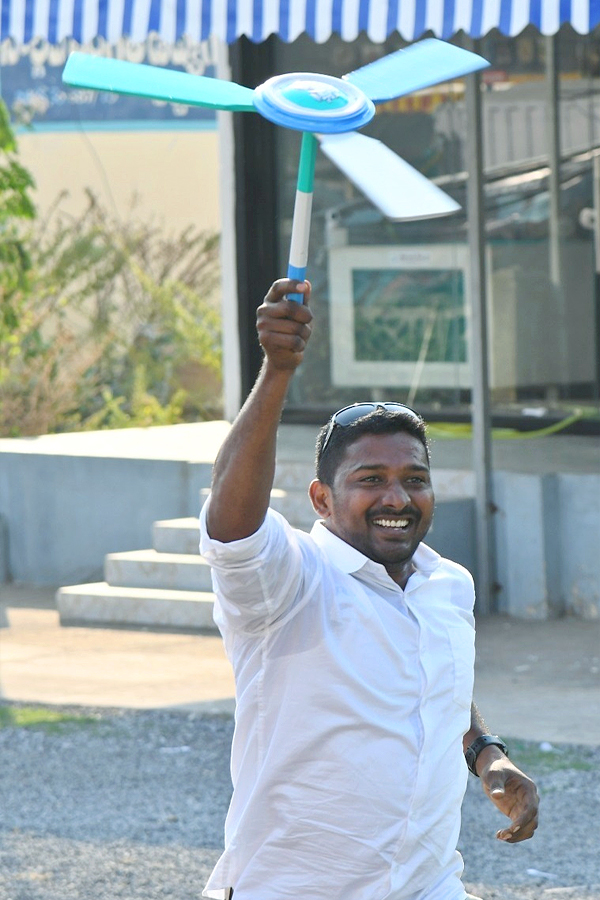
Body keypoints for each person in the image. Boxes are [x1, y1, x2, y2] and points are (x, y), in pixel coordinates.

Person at [199, 278, 539, 900]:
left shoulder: (448, 586)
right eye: (371, 478)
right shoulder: (289, 583)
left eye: (415, 478)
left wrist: (487, 753)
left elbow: (433, 681)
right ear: (322, 498)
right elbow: (232, 522)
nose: (396, 497)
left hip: (429, 886)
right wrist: (276, 372)